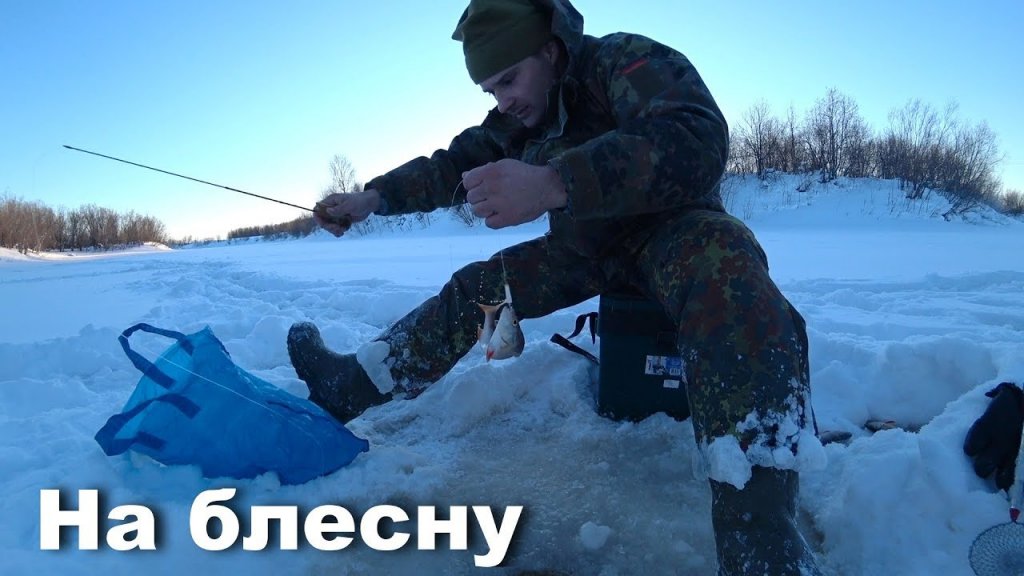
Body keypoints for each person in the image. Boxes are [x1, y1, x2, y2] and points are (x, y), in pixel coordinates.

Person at [288, 0, 823, 573]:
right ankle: (356, 384)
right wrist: (374, 198)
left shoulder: (622, 61)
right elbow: (452, 166)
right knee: (480, 291)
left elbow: (697, 138)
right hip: (586, 250)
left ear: (549, 50)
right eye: (491, 90)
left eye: (510, 79)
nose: (504, 100)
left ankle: (761, 537)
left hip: (677, 230)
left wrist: (554, 181)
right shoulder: (520, 120)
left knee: (731, 278)